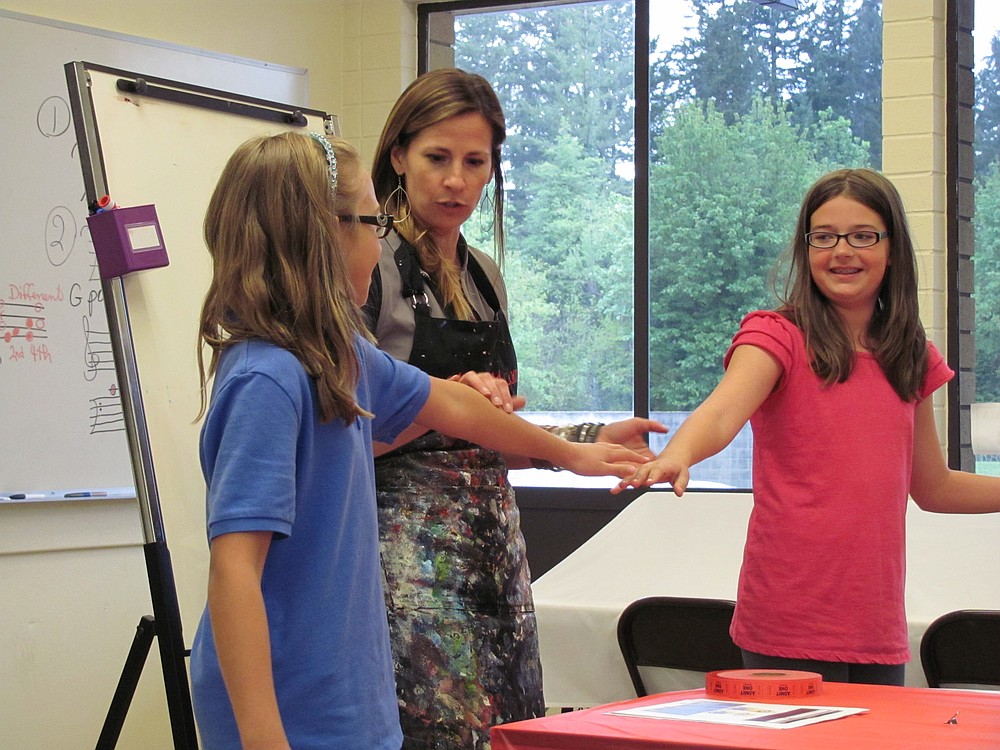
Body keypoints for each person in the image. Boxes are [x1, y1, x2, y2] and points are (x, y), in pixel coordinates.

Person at [187, 131, 648, 750]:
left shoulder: (338, 355)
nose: (379, 241)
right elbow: (235, 572)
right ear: (324, 234)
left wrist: (572, 451)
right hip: (286, 711)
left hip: (351, 702)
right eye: (373, 222)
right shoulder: (267, 378)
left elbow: (451, 401)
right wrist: (264, 740)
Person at [364, 68, 668, 747]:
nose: (456, 182)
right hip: (404, 558)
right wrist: (446, 402)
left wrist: (587, 435)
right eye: (437, 158)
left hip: (493, 550)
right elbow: (343, 439)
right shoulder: (371, 265)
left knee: (509, 731)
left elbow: (484, 434)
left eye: (475, 163)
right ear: (398, 156)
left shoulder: (482, 275)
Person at [615, 168, 1000, 685]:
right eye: (824, 237)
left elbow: (934, 487)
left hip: (876, 629)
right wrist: (678, 454)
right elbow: (721, 412)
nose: (842, 251)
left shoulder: (909, 355)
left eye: (863, 236)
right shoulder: (775, 335)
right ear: (805, 248)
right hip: (789, 623)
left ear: (892, 249)